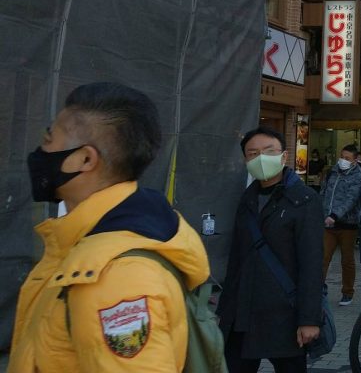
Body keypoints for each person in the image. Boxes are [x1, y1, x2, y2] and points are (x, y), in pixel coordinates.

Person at [9, 82, 210, 372]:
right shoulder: (90, 241)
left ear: (85, 159)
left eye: (49, 137)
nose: (41, 149)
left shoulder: (117, 279)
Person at [219, 126, 323, 373]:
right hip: (242, 313)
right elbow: (236, 258)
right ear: (245, 159)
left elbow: (311, 263)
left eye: (268, 151)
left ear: (284, 156)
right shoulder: (247, 199)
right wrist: (224, 310)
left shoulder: (304, 199)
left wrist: (309, 319)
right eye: (253, 153)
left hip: (284, 314)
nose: (260, 158)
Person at [322, 144, 361, 306]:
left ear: (355, 161)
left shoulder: (358, 177)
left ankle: (347, 292)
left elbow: (351, 199)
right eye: (342, 157)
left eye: (347, 158)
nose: (343, 161)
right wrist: (323, 212)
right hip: (328, 223)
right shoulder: (332, 172)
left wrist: (335, 215)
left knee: (347, 260)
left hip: (348, 224)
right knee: (323, 258)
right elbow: (324, 192)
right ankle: (318, 290)